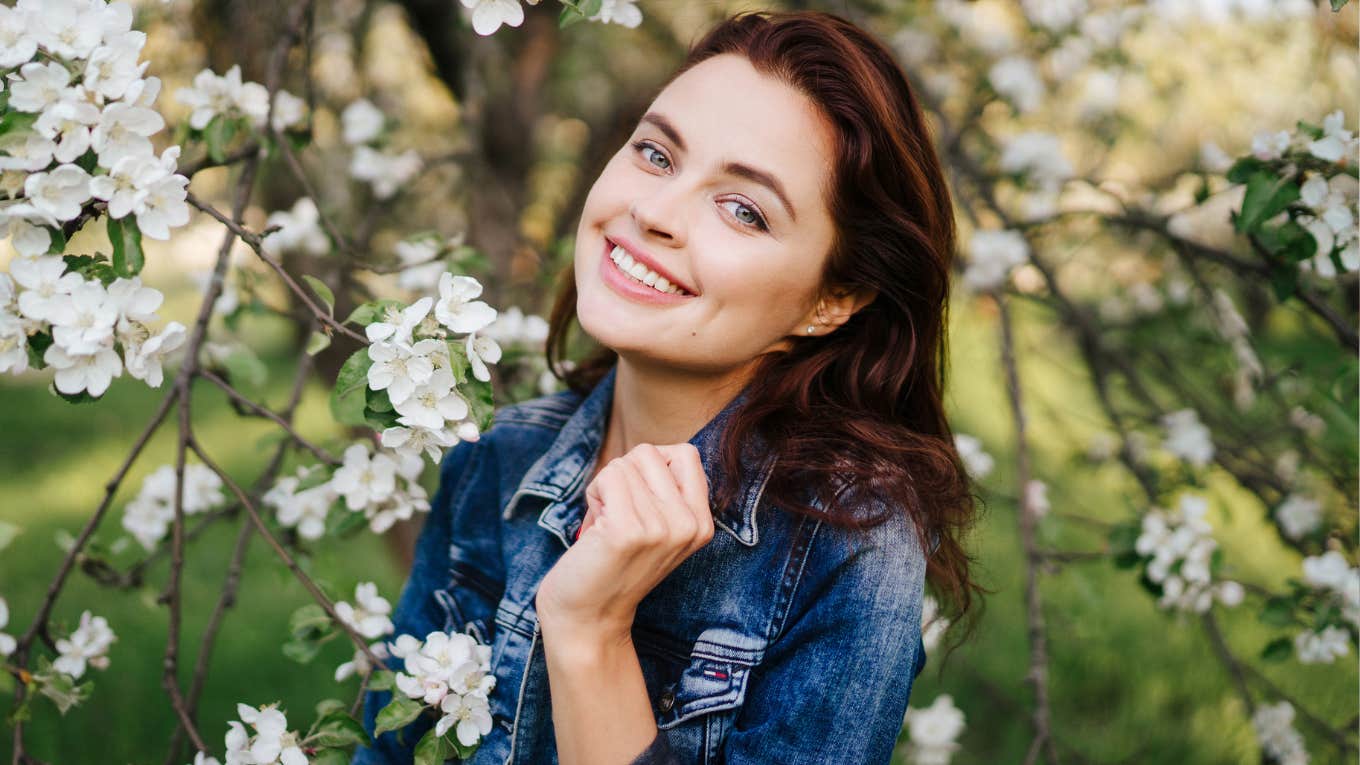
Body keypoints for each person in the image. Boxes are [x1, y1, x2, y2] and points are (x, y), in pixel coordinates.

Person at [353, 9, 980, 765]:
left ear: (831, 300)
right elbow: (387, 751)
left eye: (743, 210)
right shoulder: (496, 456)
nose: (655, 215)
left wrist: (590, 630)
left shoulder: (851, 546)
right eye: (655, 154)